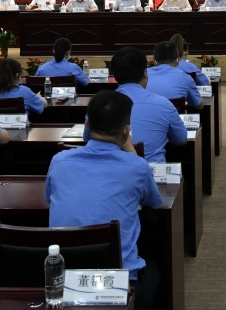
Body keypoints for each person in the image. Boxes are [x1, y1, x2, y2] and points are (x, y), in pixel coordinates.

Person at [45, 90, 162, 310]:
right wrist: (130, 150)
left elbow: (49, 200)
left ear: (87, 125)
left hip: (64, 279)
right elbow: (154, 202)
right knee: (154, 269)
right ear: (126, 131)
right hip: (118, 283)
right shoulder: (137, 167)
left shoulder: (59, 161)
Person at [85, 46, 186, 163]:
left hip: (108, 169)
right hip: (153, 170)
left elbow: (88, 138)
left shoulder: (100, 105)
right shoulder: (164, 104)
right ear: (145, 74)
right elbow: (181, 139)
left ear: (115, 77)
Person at [146, 42, 203, 110]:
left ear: (154, 61)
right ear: (178, 60)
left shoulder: (142, 76)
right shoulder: (186, 78)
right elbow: (199, 105)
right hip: (175, 116)